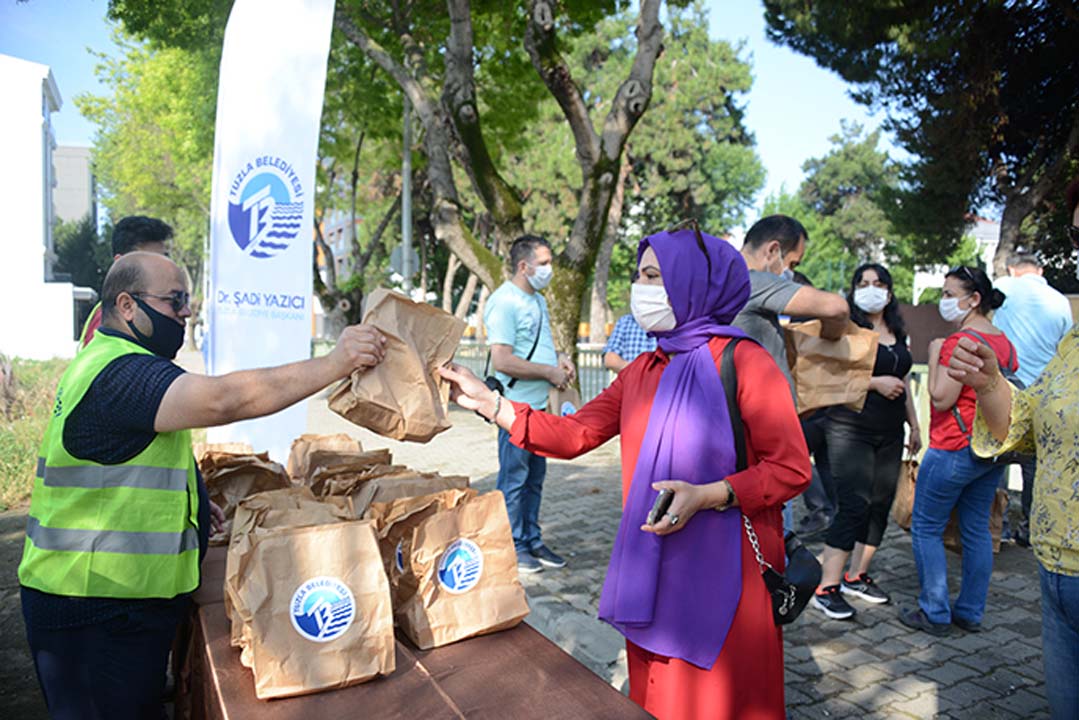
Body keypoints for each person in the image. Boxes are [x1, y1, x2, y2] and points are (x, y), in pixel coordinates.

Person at [441, 227, 811, 720]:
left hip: (729, 573)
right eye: (640, 275)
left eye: (655, 276)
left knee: (721, 698)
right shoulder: (644, 370)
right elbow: (574, 434)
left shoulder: (745, 362)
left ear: (692, 282)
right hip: (653, 563)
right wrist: (490, 404)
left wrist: (711, 494)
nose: (642, 287)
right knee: (658, 695)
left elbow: (791, 468)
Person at [19, 251, 386, 719]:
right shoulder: (120, 372)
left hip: (116, 605)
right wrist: (337, 362)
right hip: (94, 609)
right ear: (127, 305)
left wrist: (193, 501)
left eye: (187, 300)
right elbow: (223, 401)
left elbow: (131, 454)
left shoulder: (111, 360)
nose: (186, 312)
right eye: (175, 301)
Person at [949, 176, 1079, 718]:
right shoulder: (1074, 336)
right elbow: (1024, 424)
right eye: (1077, 238)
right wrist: (990, 384)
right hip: (1057, 570)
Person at [899, 265, 1016, 636]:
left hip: (952, 448)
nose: (943, 301)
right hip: (989, 451)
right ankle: (970, 611)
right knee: (977, 530)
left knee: (926, 528)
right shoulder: (1004, 342)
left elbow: (941, 396)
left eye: (949, 295)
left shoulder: (958, 343)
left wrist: (935, 353)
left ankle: (934, 611)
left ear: (974, 299)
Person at [811, 264, 921, 620]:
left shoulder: (898, 332)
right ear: (854, 289)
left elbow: (903, 382)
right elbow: (828, 378)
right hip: (848, 428)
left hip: (891, 432)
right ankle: (825, 587)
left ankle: (855, 576)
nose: (870, 289)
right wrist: (874, 384)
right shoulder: (845, 329)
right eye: (863, 283)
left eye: (878, 283)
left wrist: (915, 425)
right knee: (854, 504)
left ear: (889, 292)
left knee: (879, 504)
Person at [734, 214, 849, 533]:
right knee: (774, 529)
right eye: (793, 264)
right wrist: (831, 334)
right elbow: (836, 307)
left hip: (734, 422)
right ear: (773, 251)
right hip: (764, 427)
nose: (791, 274)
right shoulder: (752, 279)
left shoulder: (718, 280)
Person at [484, 234, 576, 573]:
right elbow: (503, 360)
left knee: (535, 477)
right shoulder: (504, 302)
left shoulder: (537, 300)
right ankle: (513, 545)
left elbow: (544, 344)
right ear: (524, 266)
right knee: (514, 479)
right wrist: (548, 372)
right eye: (545, 263)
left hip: (540, 408)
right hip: (513, 408)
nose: (550, 269)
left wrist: (562, 360)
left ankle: (533, 540)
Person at [990, 251, 1073, 546]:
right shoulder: (1059, 300)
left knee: (996, 459)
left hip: (1005, 390)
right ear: (1040, 270)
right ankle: (1031, 527)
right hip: (1043, 394)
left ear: (1013, 269)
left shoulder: (1003, 288)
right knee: (1034, 466)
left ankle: (996, 527)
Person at [80, 216, 174, 347]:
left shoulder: (136, 314)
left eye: (164, 260)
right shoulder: (107, 323)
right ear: (120, 263)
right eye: (150, 262)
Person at [603, 276, 657, 373]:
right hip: (630, 385)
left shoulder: (670, 324)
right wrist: (639, 373)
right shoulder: (625, 322)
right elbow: (610, 359)